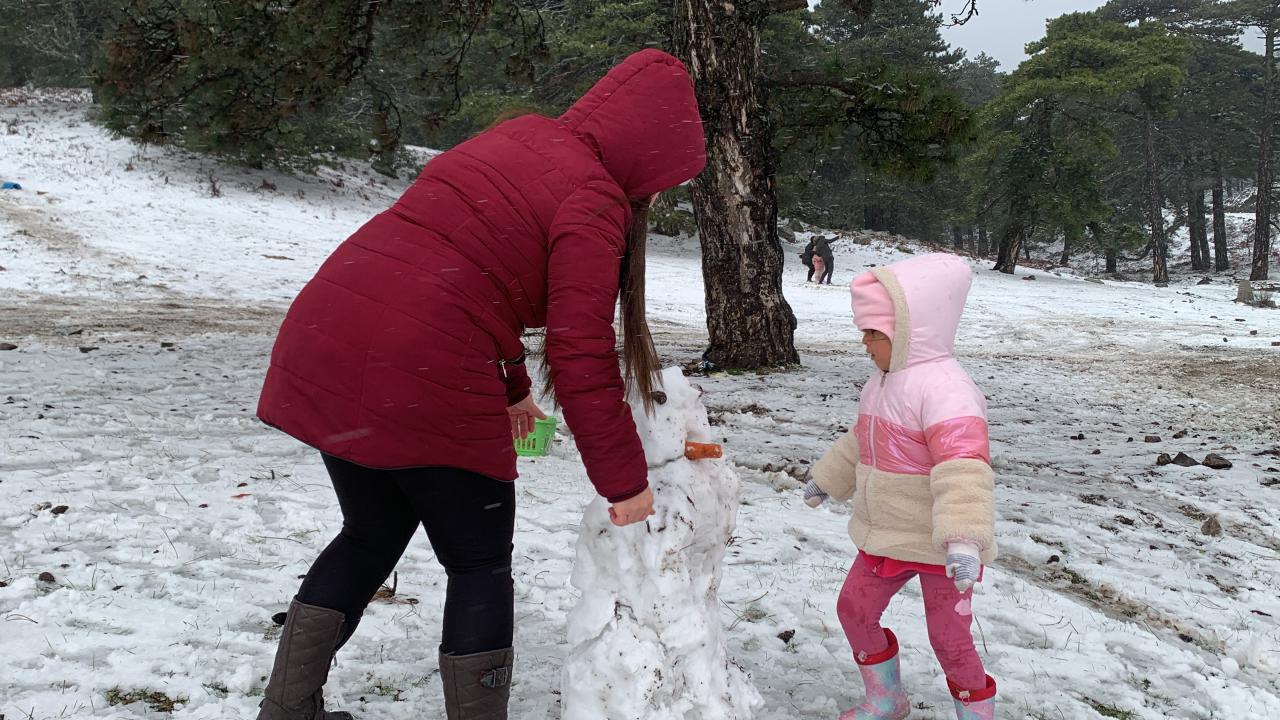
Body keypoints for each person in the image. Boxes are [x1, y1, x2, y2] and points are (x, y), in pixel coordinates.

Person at [252, 49, 706, 720]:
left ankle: (287, 708)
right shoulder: (595, 199)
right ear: (649, 155)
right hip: (422, 363)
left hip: (332, 330)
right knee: (478, 564)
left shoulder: (518, 136)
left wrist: (514, 387)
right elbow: (580, 353)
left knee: (369, 533)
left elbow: (461, 272)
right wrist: (625, 483)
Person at [802, 253, 998, 720]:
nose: (865, 343)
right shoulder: (882, 382)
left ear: (913, 329)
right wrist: (827, 479)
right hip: (887, 534)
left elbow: (964, 466)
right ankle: (886, 698)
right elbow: (861, 441)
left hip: (940, 544)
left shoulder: (947, 390)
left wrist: (963, 538)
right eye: (864, 332)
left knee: (948, 639)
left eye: (875, 333)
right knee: (854, 610)